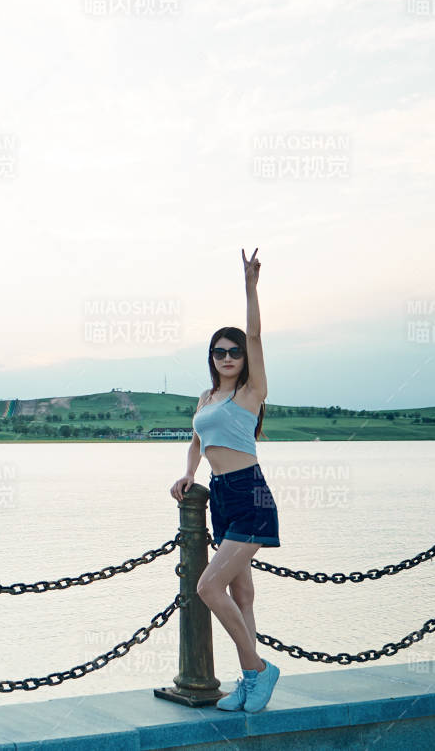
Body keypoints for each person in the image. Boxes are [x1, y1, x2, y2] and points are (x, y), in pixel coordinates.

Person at [168, 248, 281, 713]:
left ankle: (258, 671)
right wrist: (189, 472)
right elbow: (199, 438)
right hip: (220, 496)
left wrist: (250, 287)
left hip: (250, 493)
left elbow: (255, 333)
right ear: (211, 357)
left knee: (207, 588)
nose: (229, 356)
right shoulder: (207, 396)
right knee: (241, 592)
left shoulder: (253, 392)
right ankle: (248, 682)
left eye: (234, 351)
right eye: (220, 351)